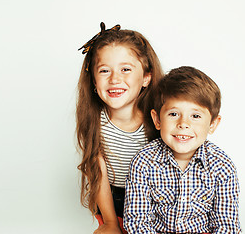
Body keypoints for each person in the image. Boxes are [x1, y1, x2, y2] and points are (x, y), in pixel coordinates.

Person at [124, 66, 241, 233]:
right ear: (157, 120)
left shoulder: (221, 166)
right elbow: (137, 222)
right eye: (173, 114)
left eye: (195, 116)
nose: (183, 124)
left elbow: (226, 226)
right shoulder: (143, 162)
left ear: (212, 124)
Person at [76, 22, 163, 234]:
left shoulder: (159, 120)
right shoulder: (95, 120)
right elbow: (98, 174)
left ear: (146, 77)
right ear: (94, 83)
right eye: (105, 70)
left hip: (155, 199)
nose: (115, 79)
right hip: (111, 201)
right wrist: (111, 223)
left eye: (125, 69)